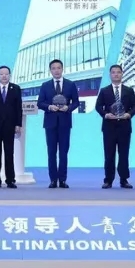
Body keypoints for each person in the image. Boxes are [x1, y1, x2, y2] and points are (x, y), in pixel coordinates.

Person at [36, 59, 80, 188]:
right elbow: (40, 103)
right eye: (54, 68)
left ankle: (63, 180)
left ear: (62, 69)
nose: (56, 70)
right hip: (50, 123)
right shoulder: (45, 85)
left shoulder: (70, 85)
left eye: (58, 68)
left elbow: (76, 102)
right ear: (50, 70)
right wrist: (49, 107)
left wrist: (68, 108)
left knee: (63, 153)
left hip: (65, 123)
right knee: (51, 152)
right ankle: (53, 180)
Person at [95, 64, 135, 189]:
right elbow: (98, 106)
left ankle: (124, 180)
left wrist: (128, 114)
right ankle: (108, 180)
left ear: (122, 74)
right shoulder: (104, 90)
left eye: (118, 72)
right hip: (109, 127)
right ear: (110, 75)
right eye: (113, 72)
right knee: (109, 155)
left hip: (124, 127)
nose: (116, 74)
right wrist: (106, 114)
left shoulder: (128, 90)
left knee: (124, 154)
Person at [0, 65, 23, 188]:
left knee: (9, 153)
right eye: (1, 74)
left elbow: (19, 108)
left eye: (6, 74)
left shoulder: (16, 89)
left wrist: (18, 124)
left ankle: (10, 180)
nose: (4, 76)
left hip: (10, 126)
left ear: (10, 75)